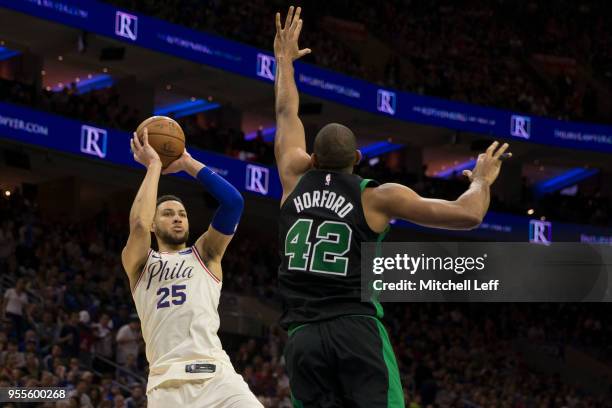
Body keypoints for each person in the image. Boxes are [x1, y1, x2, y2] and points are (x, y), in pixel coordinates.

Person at [273, 6, 511, 408]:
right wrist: (481, 180)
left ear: (311, 158)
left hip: (303, 336)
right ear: (359, 159)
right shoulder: (376, 196)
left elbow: (285, 111)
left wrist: (284, 61)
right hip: (355, 328)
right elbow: (468, 215)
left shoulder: (291, 179)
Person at [122, 128, 262, 407]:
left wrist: (187, 162)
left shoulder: (206, 254)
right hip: (167, 385)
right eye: (168, 214)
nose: (177, 218)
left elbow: (234, 203)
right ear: (154, 223)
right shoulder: (139, 263)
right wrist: (154, 167)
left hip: (217, 378)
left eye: (182, 214)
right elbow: (138, 224)